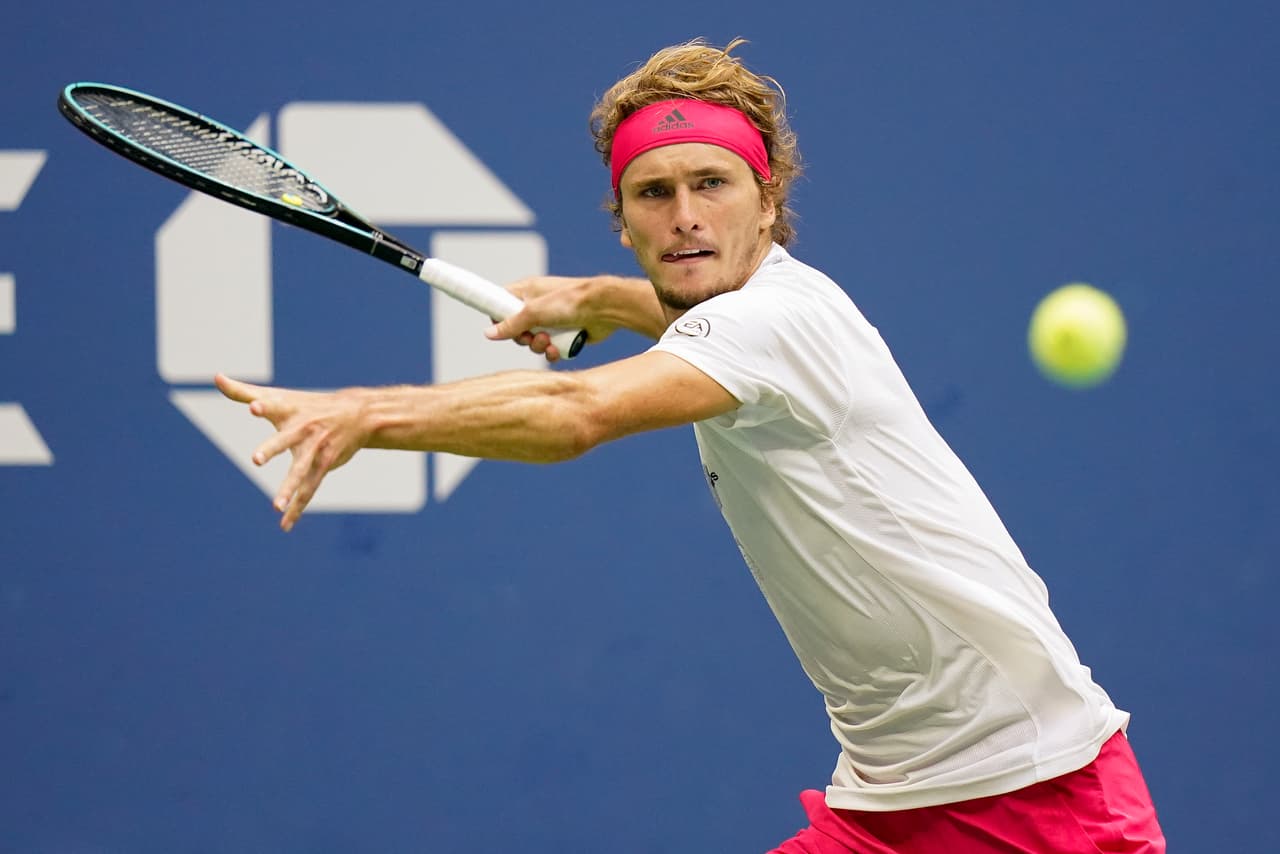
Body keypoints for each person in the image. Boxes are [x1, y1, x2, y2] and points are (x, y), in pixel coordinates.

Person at [216, 39, 1166, 853]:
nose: (685, 217)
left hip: (1037, 801)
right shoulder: (774, 302)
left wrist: (367, 414)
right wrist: (597, 298)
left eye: (711, 185)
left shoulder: (775, 324)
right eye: (653, 193)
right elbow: (680, 309)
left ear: (767, 196)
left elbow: (575, 415)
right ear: (623, 218)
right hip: (899, 802)